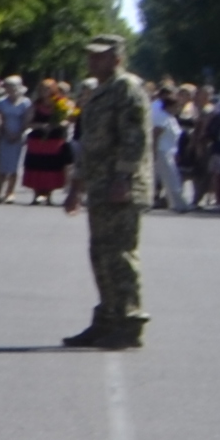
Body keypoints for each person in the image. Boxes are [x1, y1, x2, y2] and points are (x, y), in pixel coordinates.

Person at [64, 41, 149, 346]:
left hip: (121, 187)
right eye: (90, 56)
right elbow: (91, 144)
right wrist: (77, 185)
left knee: (120, 255)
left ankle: (130, 322)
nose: (92, 61)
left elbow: (134, 138)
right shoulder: (100, 91)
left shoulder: (126, 89)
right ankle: (108, 318)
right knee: (101, 254)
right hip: (100, 185)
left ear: (117, 58)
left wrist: (124, 178)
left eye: (99, 56)